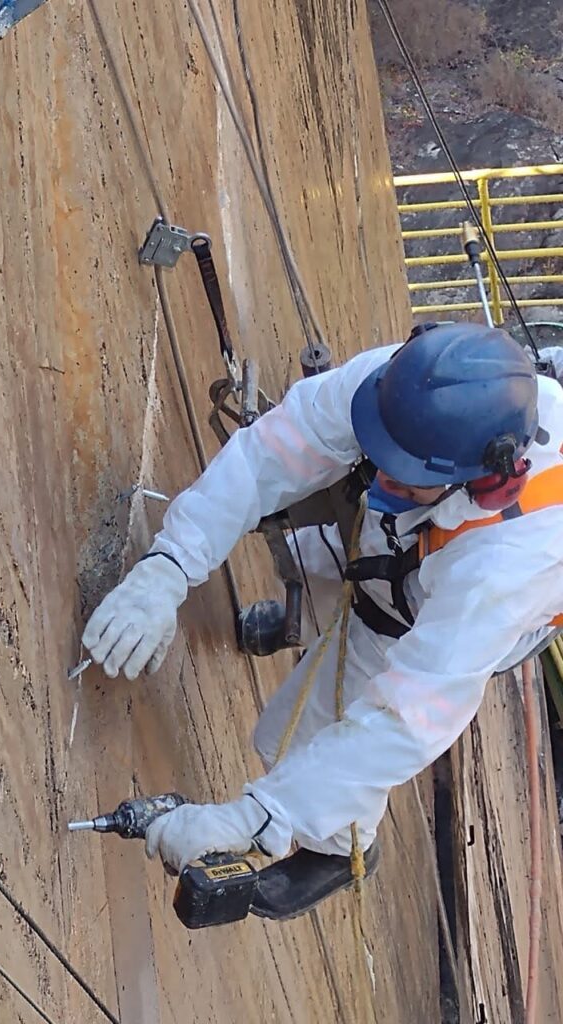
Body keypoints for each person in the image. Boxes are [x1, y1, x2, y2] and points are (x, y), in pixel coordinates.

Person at [82, 322, 563, 919]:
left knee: (295, 735)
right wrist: (168, 567)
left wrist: (256, 820)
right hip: (412, 544)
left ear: (480, 484)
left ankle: (342, 848)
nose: (383, 474)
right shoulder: (409, 389)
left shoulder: (505, 569)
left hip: (428, 612)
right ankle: (302, 617)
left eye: (404, 472)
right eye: (381, 453)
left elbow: (404, 718)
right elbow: (270, 453)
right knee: (320, 560)